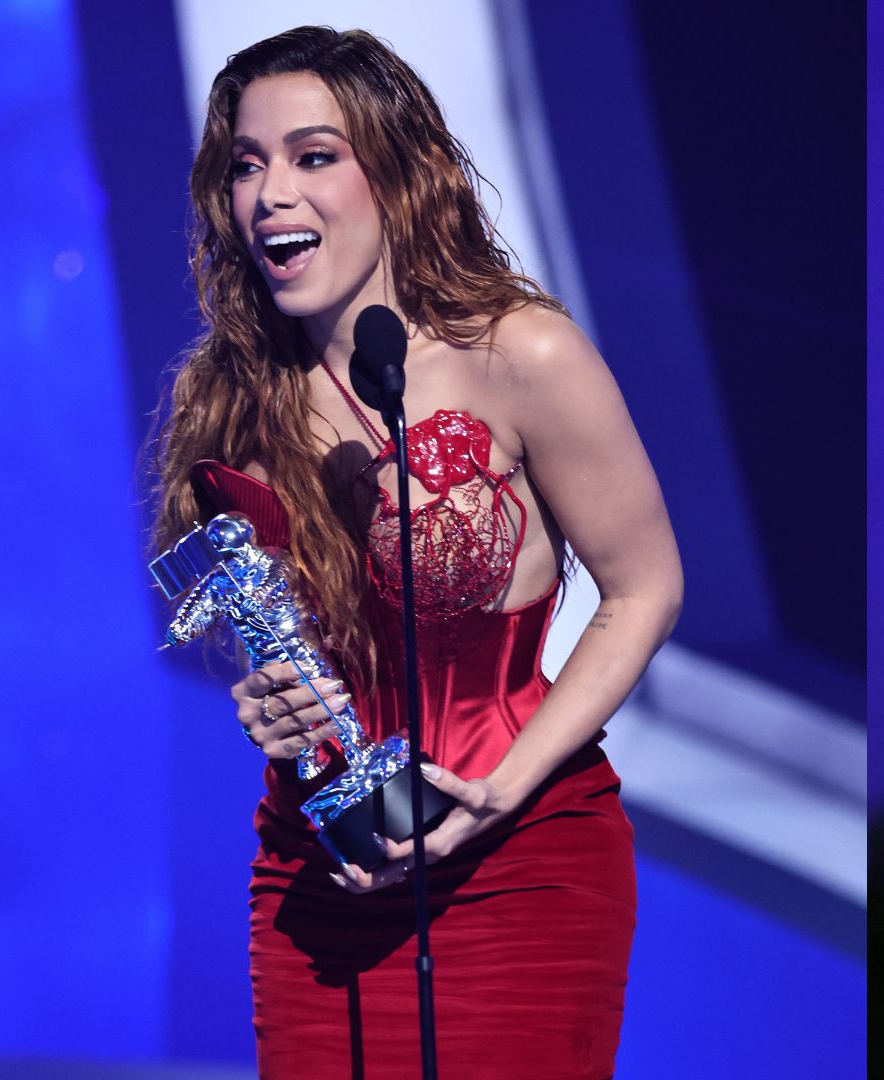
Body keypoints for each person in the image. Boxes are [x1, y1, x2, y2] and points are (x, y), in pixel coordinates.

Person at [149, 26, 682, 1079]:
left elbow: (646, 586)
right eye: (247, 165)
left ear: (396, 175)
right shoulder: (227, 399)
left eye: (313, 156)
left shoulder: (519, 353)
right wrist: (268, 705)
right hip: (323, 876)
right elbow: (271, 638)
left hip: (522, 853)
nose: (272, 195)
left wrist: (506, 782)